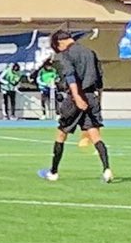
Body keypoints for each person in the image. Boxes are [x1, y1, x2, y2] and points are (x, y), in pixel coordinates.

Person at [39, 28, 112, 184]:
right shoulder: (90, 52)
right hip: (92, 96)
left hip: (75, 97)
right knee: (95, 135)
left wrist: (77, 97)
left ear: (60, 43)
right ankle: (107, 169)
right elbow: (99, 78)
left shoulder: (67, 55)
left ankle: (53, 172)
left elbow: (71, 77)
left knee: (61, 134)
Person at [35, 56, 57, 120]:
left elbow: (56, 77)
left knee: (54, 101)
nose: (49, 67)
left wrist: (55, 82)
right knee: (43, 101)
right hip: (44, 88)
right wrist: (45, 84)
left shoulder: (53, 70)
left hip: (52, 88)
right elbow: (38, 80)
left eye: (50, 65)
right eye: (48, 65)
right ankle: (44, 114)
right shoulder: (41, 71)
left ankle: (56, 114)